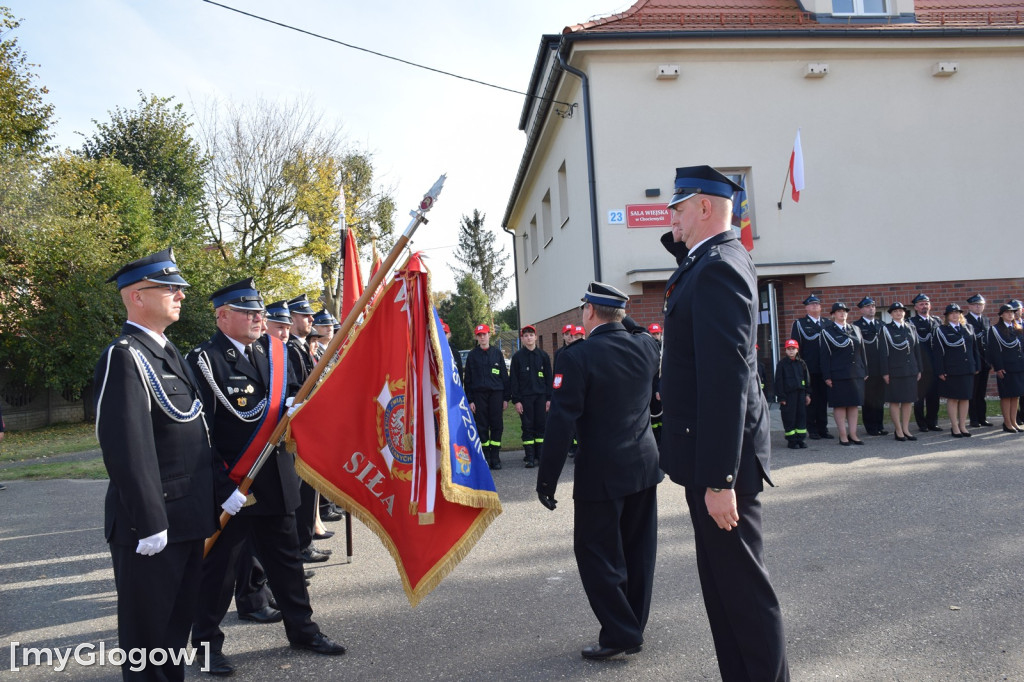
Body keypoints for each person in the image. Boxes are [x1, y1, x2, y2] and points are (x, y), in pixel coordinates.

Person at [658, 165, 789, 681]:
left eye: (679, 207)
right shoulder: (706, 262)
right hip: (706, 458)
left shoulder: (719, 267)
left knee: (745, 595)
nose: (671, 216)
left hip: (720, 465)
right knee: (722, 592)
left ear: (705, 207)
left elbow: (725, 380)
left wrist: (719, 479)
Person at [188, 279, 345, 676]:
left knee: (287, 564)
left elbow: (293, 396)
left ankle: (303, 630)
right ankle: (206, 646)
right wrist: (222, 487)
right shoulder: (204, 362)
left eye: (259, 310)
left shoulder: (274, 353)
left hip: (274, 480)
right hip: (233, 487)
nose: (258, 316)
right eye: (247, 311)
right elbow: (199, 433)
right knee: (219, 573)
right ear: (222, 316)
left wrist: (299, 405)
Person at [94, 248, 219, 681]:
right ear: (136, 297)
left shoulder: (166, 352)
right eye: (169, 288)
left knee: (172, 635)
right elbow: (127, 446)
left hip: (186, 517)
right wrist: (150, 521)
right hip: (153, 525)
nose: (180, 295)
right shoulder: (125, 355)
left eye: (179, 288)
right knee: (148, 641)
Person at [536, 282, 662, 661]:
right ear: (620, 313)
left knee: (595, 553)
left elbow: (561, 422)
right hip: (643, 467)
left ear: (590, 311)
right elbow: (637, 330)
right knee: (638, 552)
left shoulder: (577, 357)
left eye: (583, 308)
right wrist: (622, 315)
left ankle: (621, 633)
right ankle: (631, 627)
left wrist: (546, 479)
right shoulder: (647, 347)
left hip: (602, 474)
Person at [286, 295, 332, 563]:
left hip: (310, 426)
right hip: (299, 429)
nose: (311, 319)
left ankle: (305, 543)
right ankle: (302, 546)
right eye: (305, 316)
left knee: (307, 489)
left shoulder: (301, 348)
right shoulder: (291, 349)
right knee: (301, 492)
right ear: (292, 319)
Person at [464, 323, 510, 469]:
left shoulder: (497, 353)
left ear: (489, 335)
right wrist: (470, 400)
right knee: (482, 425)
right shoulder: (472, 356)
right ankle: (485, 456)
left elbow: (504, 376)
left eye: (484, 334)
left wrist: (505, 398)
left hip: (496, 394)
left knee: (496, 425)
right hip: (479, 395)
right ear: (476, 337)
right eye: (479, 335)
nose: (482, 337)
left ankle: (495, 457)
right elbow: (468, 380)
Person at [821, 302, 868, 446]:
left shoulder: (856, 329)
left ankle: (853, 434)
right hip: (838, 374)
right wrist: (827, 375)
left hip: (856, 373)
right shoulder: (827, 331)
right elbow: (824, 356)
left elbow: (862, 351)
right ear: (833, 315)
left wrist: (864, 369)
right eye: (839, 311)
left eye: (845, 311)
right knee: (840, 405)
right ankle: (843, 435)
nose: (842, 314)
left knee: (854, 405)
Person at [932, 303, 981, 437]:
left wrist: (977, 365)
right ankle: (954, 426)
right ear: (947, 316)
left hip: (967, 368)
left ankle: (963, 425)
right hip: (952, 369)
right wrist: (940, 370)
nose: (955, 315)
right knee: (953, 398)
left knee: (965, 398)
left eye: (957, 313)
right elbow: (938, 352)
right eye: (952, 313)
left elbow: (975, 349)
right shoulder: (941, 330)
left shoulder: (969, 328)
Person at [509, 325, 552, 468]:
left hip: (541, 397)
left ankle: (541, 456)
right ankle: (530, 457)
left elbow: (548, 379)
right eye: (526, 335)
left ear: (535, 337)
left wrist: (549, 399)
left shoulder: (543, 356)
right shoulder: (517, 358)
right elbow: (514, 381)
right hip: (525, 398)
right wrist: (517, 401)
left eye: (531, 335)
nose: (529, 338)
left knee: (541, 426)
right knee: (527, 427)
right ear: (522, 338)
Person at [791, 294, 832, 440]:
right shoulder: (800, 324)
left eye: (817, 304)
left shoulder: (828, 323)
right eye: (811, 304)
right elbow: (796, 347)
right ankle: (812, 428)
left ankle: (823, 428)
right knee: (810, 399)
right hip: (808, 368)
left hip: (825, 368)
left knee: (823, 400)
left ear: (821, 307)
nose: (815, 306)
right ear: (806, 307)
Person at [879, 302, 922, 442]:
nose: (899, 313)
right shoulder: (885, 329)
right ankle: (898, 430)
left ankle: (906, 429)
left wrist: (919, 368)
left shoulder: (911, 328)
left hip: (910, 370)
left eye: (901, 311)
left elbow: (917, 350)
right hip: (894, 370)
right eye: (895, 311)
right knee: (895, 401)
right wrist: (885, 372)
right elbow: (883, 353)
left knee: (908, 401)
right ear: (890, 314)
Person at [987, 303, 1024, 433]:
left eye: (1012, 312)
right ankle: (1007, 423)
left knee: (1016, 396)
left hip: (1019, 366)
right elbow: (994, 350)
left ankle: (1014, 421)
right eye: (1007, 312)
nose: (1010, 314)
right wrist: (998, 367)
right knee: (1007, 396)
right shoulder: (995, 330)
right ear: (1001, 315)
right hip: (1006, 367)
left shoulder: (1018, 328)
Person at [853, 297, 888, 436]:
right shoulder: (857, 326)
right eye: (867, 306)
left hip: (881, 368)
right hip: (867, 368)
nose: (871, 308)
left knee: (880, 398)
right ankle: (870, 426)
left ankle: (879, 425)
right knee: (868, 399)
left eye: (873, 306)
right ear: (861, 310)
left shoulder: (882, 325)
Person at [909, 293, 943, 433]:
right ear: (916, 307)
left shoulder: (937, 321)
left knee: (934, 397)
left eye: (926, 303)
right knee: (919, 397)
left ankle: (932, 422)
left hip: (935, 365)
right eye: (921, 304)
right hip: (920, 366)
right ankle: (921, 424)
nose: (924, 306)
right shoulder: (911, 322)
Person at [774, 339, 810, 449]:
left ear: (797, 350)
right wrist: (781, 397)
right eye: (788, 349)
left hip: (801, 394)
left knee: (801, 416)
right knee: (789, 417)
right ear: (785, 350)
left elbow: (807, 379)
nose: (791, 351)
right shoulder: (782, 364)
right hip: (788, 396)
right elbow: (778, 381)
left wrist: (807, 394)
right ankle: (792, 440)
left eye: (793, 349)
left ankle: (800, 439)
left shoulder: (802, 363)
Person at [964, 294, 993, 427]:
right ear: (969, 306)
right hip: (974, 362)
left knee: (982, 392)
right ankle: (974, 418)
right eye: (975, 304)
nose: (978, 307)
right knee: (973, 392)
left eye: (980, 304)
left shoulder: (986, 320)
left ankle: (982, 417)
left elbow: (988, 342)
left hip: (985, 362)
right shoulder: (965, 320)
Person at [647, 323, 664, 446]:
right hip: (650, 389)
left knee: (662, 418)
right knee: (653, 418)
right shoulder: (648, 350)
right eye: (653, 334)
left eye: (657, 333)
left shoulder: (663, 350)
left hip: (660, 388)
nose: (656, 336)